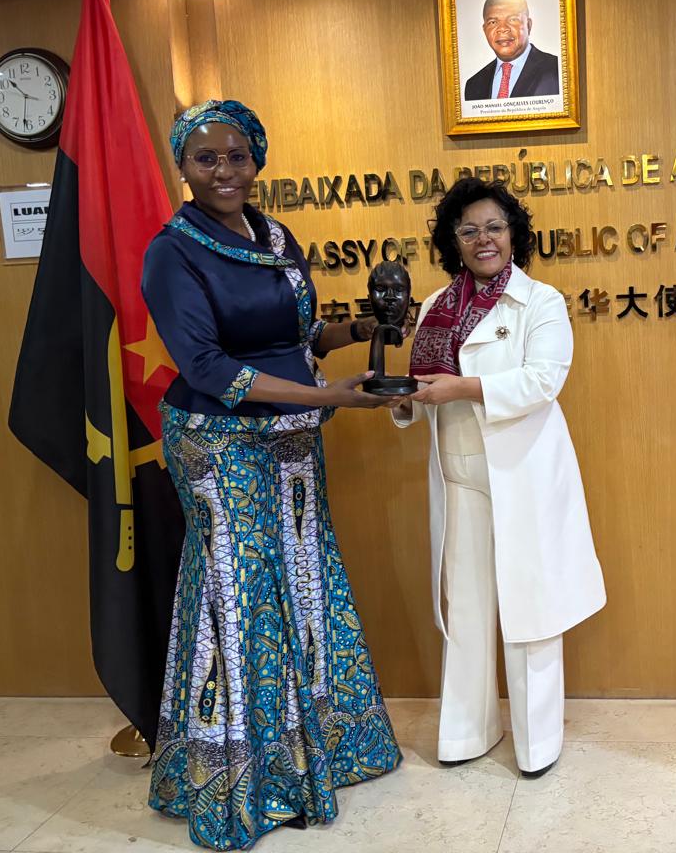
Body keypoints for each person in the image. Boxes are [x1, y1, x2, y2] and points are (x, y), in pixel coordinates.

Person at [142, 100, 402, 850]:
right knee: (240, 594)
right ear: (183, 167)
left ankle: (317, 754)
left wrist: (363, 329)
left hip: (291, 441)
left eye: (237, 156)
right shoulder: (172, 252)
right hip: (219, 445)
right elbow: (207, 367)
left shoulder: (278, 236)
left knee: (303, 580)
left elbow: (299, 335)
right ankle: (241, 782)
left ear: (257, 160)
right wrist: (328, 398)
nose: (224, 171)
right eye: (206, 158)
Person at [394, 176, 605, 777]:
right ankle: (468, 732)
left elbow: (543, 380)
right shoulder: (435, 307)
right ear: (452, 240)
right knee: (465, 605)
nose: (483, 239)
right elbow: (422, 385)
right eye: (468, 230)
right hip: (459, 474)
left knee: (529, 604)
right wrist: (403, 402)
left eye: (494, 227)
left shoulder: (540, 301)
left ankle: (538, 743)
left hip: (522, 474)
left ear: (513, 234)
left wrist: (462, 388)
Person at [463, 0, 561, 100]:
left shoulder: (557, 69)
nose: (502, 28)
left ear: (528, 25)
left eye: (513, 19)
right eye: (493, 22)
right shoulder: (473, 85)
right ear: (485, 30)